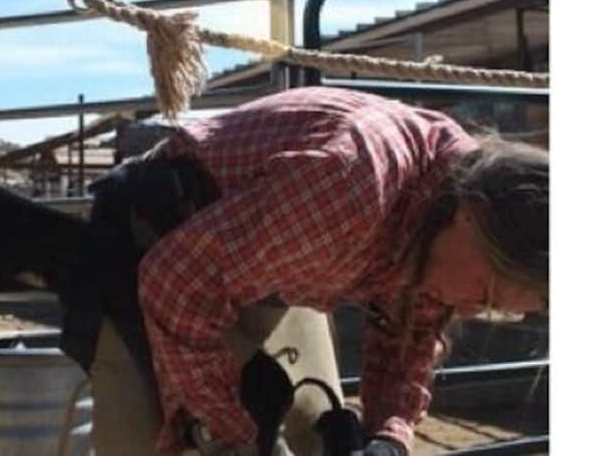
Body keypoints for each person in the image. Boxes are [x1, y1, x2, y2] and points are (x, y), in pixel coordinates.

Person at [73, 86, 547, 456]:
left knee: (319, 424)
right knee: (161, 441)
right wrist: (229, 433)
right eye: (484, 293)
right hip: (159, 242)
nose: (467, 308)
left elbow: (412, 329)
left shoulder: (449, 209)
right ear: (474, 213)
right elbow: (176, 278)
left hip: (267, 263)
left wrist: (388, 436)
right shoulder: (352, 189)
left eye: (493, 311)